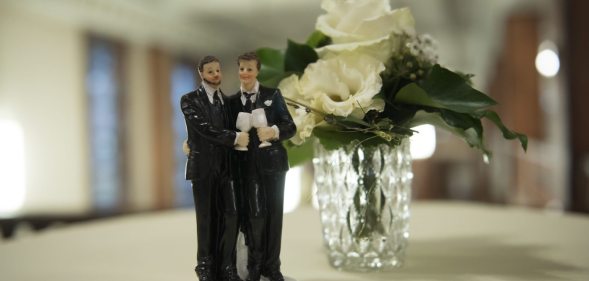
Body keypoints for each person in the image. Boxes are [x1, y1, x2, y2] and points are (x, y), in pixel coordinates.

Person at [228, 52, 296, 281]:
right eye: (241, 69)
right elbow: (224, 132)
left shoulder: (272, 95)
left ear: (257, 71)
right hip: (246, 166)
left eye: (249, 69)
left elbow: (290, 126)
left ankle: (272, 267)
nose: (245, 73)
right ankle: (254, 266)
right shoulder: (232, 101)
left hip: (273, 164)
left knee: (274, 217)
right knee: (254, 216)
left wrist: (273, 132)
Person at [181, 55, 249, 281]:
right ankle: (205, 267)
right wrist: (234, 137)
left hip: (226, 167)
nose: (216, 75)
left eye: (218, 70)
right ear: (201, 73)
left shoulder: (228, 102)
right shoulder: (189, 100)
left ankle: (226, 266)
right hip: (203, 168)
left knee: (232, 214)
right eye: (210, 71)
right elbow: (204, 128)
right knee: (206, 219)